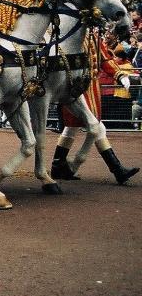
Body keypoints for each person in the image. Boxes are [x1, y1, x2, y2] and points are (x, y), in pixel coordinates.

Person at [52, 28, 138, 184]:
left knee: (72, 128)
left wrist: (120, 75)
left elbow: (105, 60)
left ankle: (58, 165)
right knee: (97, 128)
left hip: (92, 89)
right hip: (75, 89)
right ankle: (117, 170)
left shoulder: (93, 37)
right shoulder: (67, 37)